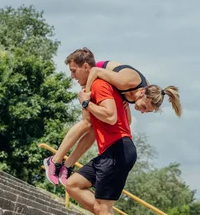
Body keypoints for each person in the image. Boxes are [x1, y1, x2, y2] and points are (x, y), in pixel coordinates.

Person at [43, 48, 182, 187]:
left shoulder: (141, 93)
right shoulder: (127, 82)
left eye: (147, 111)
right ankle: (54, 160)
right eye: (144, 107)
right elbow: (95, 72)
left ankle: (67, 166)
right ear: (141, 93)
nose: (143, 111)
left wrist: (124, 106)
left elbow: (128, 121)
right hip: (97, 72)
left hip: (108, 80)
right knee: (87, 122)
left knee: (94, 129)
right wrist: (87, 95)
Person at [63, 48, 138, 215]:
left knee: (102, 208)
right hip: (109, 152)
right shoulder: (92, 87)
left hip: (118, 150)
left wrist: (86, 104)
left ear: (87, 67)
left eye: (74, 71)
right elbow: (91, 132)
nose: (73, 76)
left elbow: (110, 115)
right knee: (72, 183)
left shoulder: (98, 85)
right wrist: (66, 162)